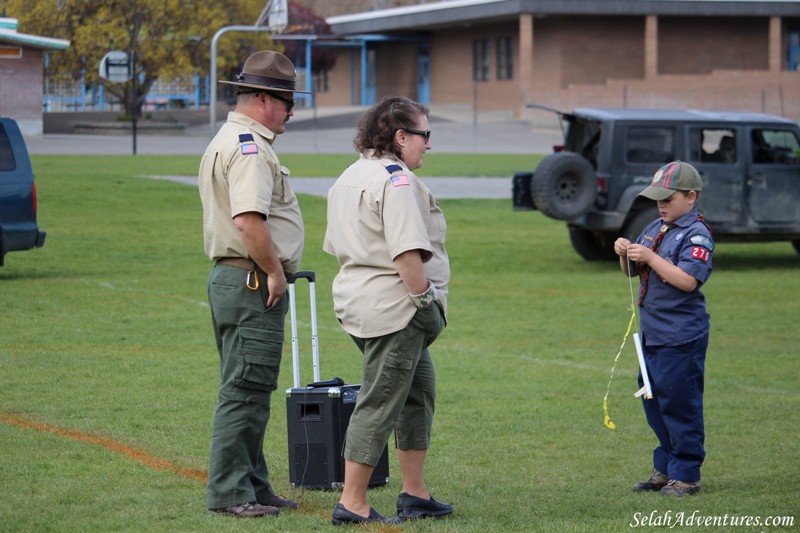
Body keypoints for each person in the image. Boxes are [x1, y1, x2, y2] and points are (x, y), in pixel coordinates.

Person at [323, 96, 453, 525]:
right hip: (396, 308)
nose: (428, 144)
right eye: (424, 134)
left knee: (418, 393)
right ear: (401, 137)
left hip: (359, 301)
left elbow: (336, 247)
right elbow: (406, 255)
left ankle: (414, 493)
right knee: (380, 401)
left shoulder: (350, 174)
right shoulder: (395, 180)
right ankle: (353, 500)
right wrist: (425, 301)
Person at [198, 50, 310, 518]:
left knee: (252, 388)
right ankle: (230, 493)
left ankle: (253, 485)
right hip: (250, 280)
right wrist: (275, 271)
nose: (291, 111)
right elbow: (249, 221)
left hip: (236, 279)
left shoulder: (231, 137)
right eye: (286, 101)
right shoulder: (250, 146)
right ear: (262, 98)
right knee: (245, 390)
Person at [613, 160, 714, 497]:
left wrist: (652, 259)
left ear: (691, 197)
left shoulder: (696, 234)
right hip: (653, 334)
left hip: (681, 335)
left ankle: (686, 474)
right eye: (657, 198)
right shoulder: (655, 227)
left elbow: (687, 281)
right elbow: (630, 273)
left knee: (679, 403)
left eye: (668, 199)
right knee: (654, 401)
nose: (661, 205)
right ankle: (666, 468)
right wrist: (625, 252)